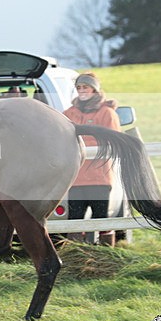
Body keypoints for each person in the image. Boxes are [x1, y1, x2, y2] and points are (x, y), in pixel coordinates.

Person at [63, 72, 121, 245]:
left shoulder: (107, 113)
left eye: (85, 87)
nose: (82, 91)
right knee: (74, 220)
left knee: (102, 219)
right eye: (79, 87)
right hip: (76, 178)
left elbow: (114, 140)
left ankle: (105, 256)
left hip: (99, 177)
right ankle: (76, 256)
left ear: (94, 89)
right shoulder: (69, 113)